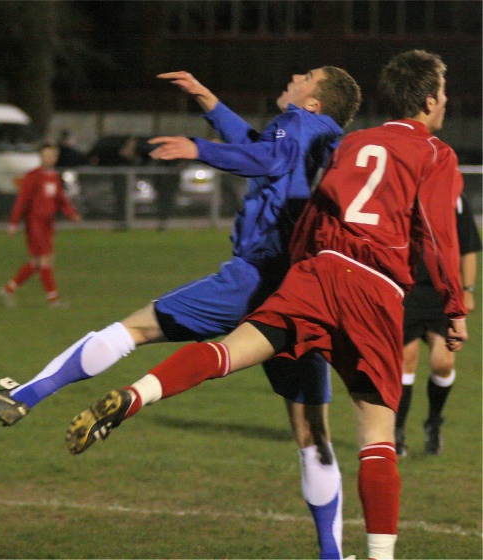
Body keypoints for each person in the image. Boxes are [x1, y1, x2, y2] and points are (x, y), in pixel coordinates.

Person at [59, 50, 466, 560]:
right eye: (444, 95)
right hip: (374, 290)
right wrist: (454, 306)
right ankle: (380, 557)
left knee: (227, 352)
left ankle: (138, 393)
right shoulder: (436, 153)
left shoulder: (355, 141)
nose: (446, 103)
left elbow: (319, 209)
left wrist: (300, 273)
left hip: (316, 272)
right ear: (428, 101)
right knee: (377, 432)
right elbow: (438, 237)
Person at [0, 67, 362, 559]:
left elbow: (267, 154)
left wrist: (198, 148)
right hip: (300, 294)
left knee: (136, 327)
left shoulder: (297, 124)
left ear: (313, 102)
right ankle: (332, 556)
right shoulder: (323, 138)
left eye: (307, 76)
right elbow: (261, 147)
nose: (295, 75)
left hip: (255, 276)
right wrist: (208, 100)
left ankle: (26, 396)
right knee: (313, 433)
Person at [395, 193, 481, 456]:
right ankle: (395, 432)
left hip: (442, 291)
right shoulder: (401, 190)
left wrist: (467, 290)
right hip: (406, 290)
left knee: (443, 362)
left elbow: (468, 248)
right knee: (406, 360)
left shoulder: (453, 197)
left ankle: (434, 421)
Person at [0, 141, 81, 307]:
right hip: (35, 224)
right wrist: (14, 222)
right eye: (46, 155)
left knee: (37, 262)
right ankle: (53, 299)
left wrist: (71, 213)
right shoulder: (33, 176)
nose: (49, 158)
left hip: (48, 224)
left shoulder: (54, 176)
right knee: (45, 260)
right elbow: (22, 200)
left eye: (52, 155)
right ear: (41, 157)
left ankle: (8, 289)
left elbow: (60, 199)